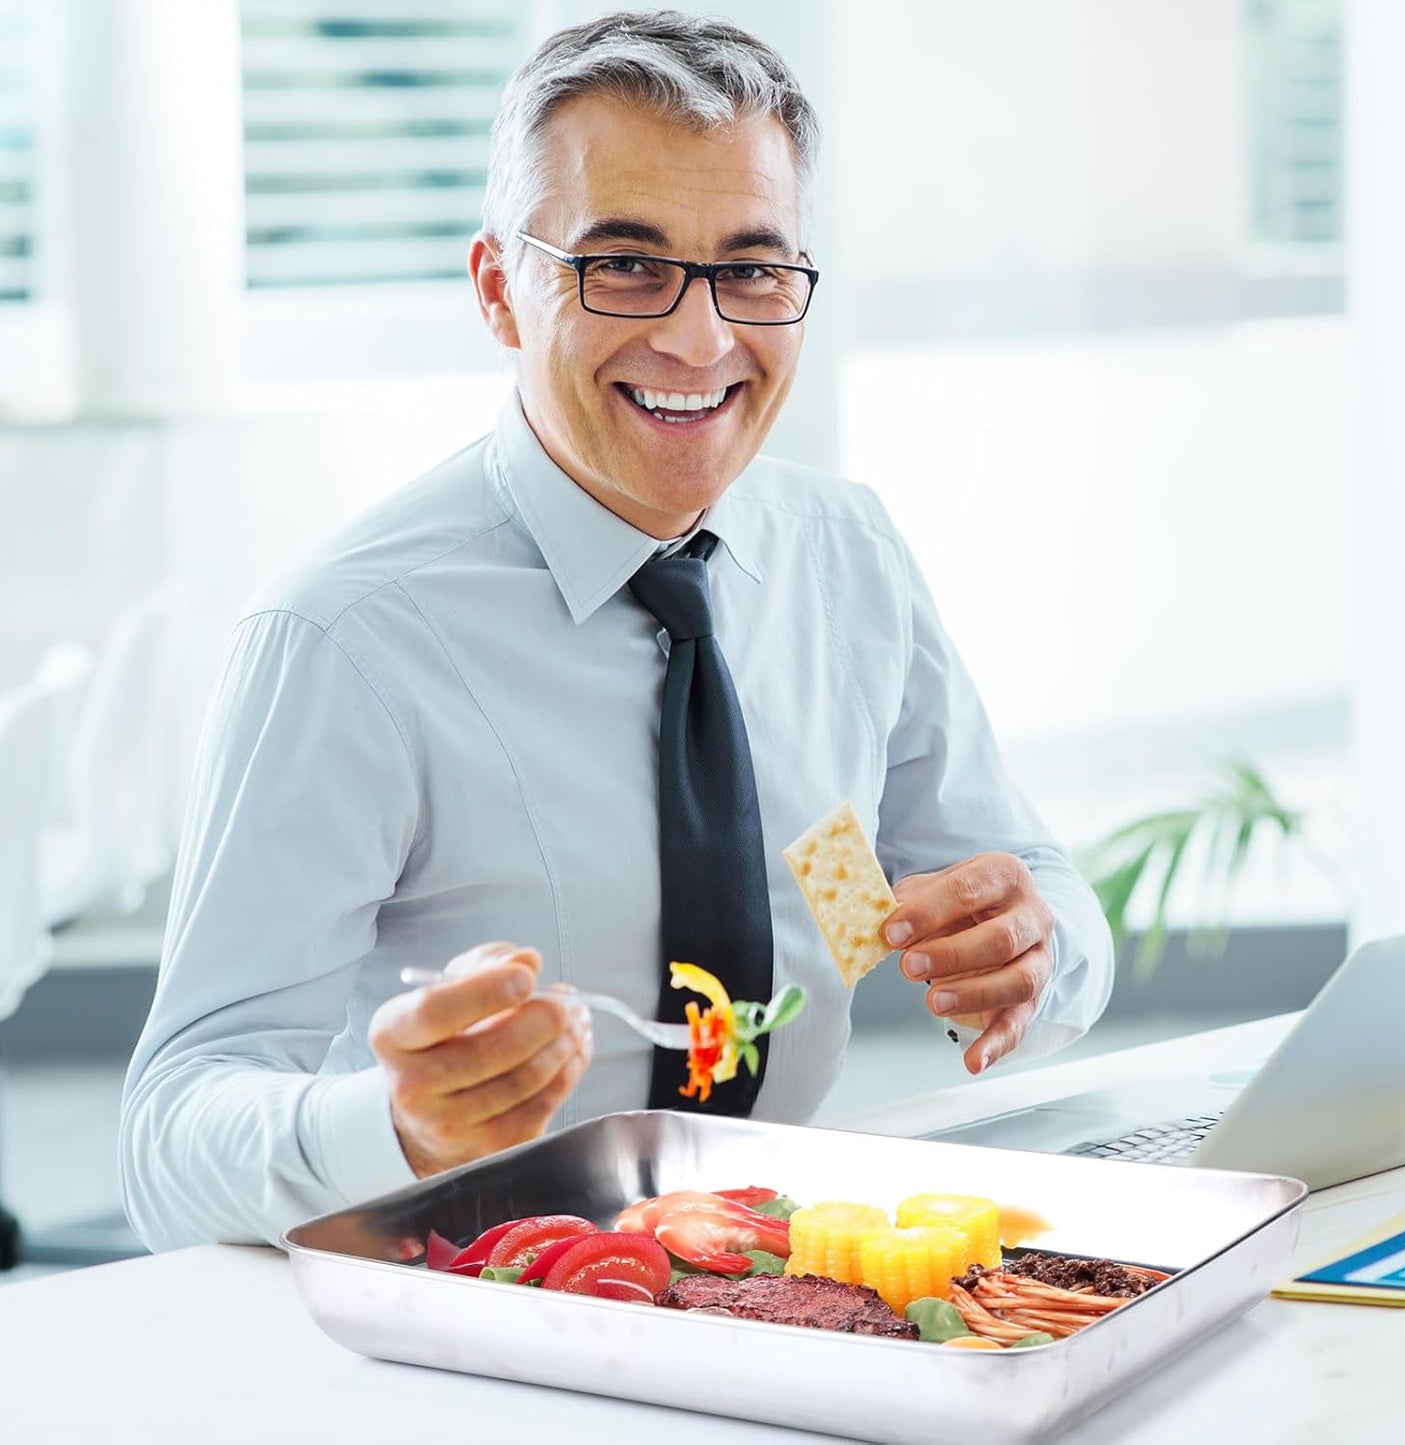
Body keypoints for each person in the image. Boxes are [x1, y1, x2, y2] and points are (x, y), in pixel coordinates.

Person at [120, 9, 1112, 1252]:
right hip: (470, 1291)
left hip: (779, 1266)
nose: (700, 339)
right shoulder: (343, 640)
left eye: (751, 270)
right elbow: (167, 1138)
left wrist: (1033, 951)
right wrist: (394, 1125)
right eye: (625, 266)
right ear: (499, 290)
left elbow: (1035, 887)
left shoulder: (847, 557)